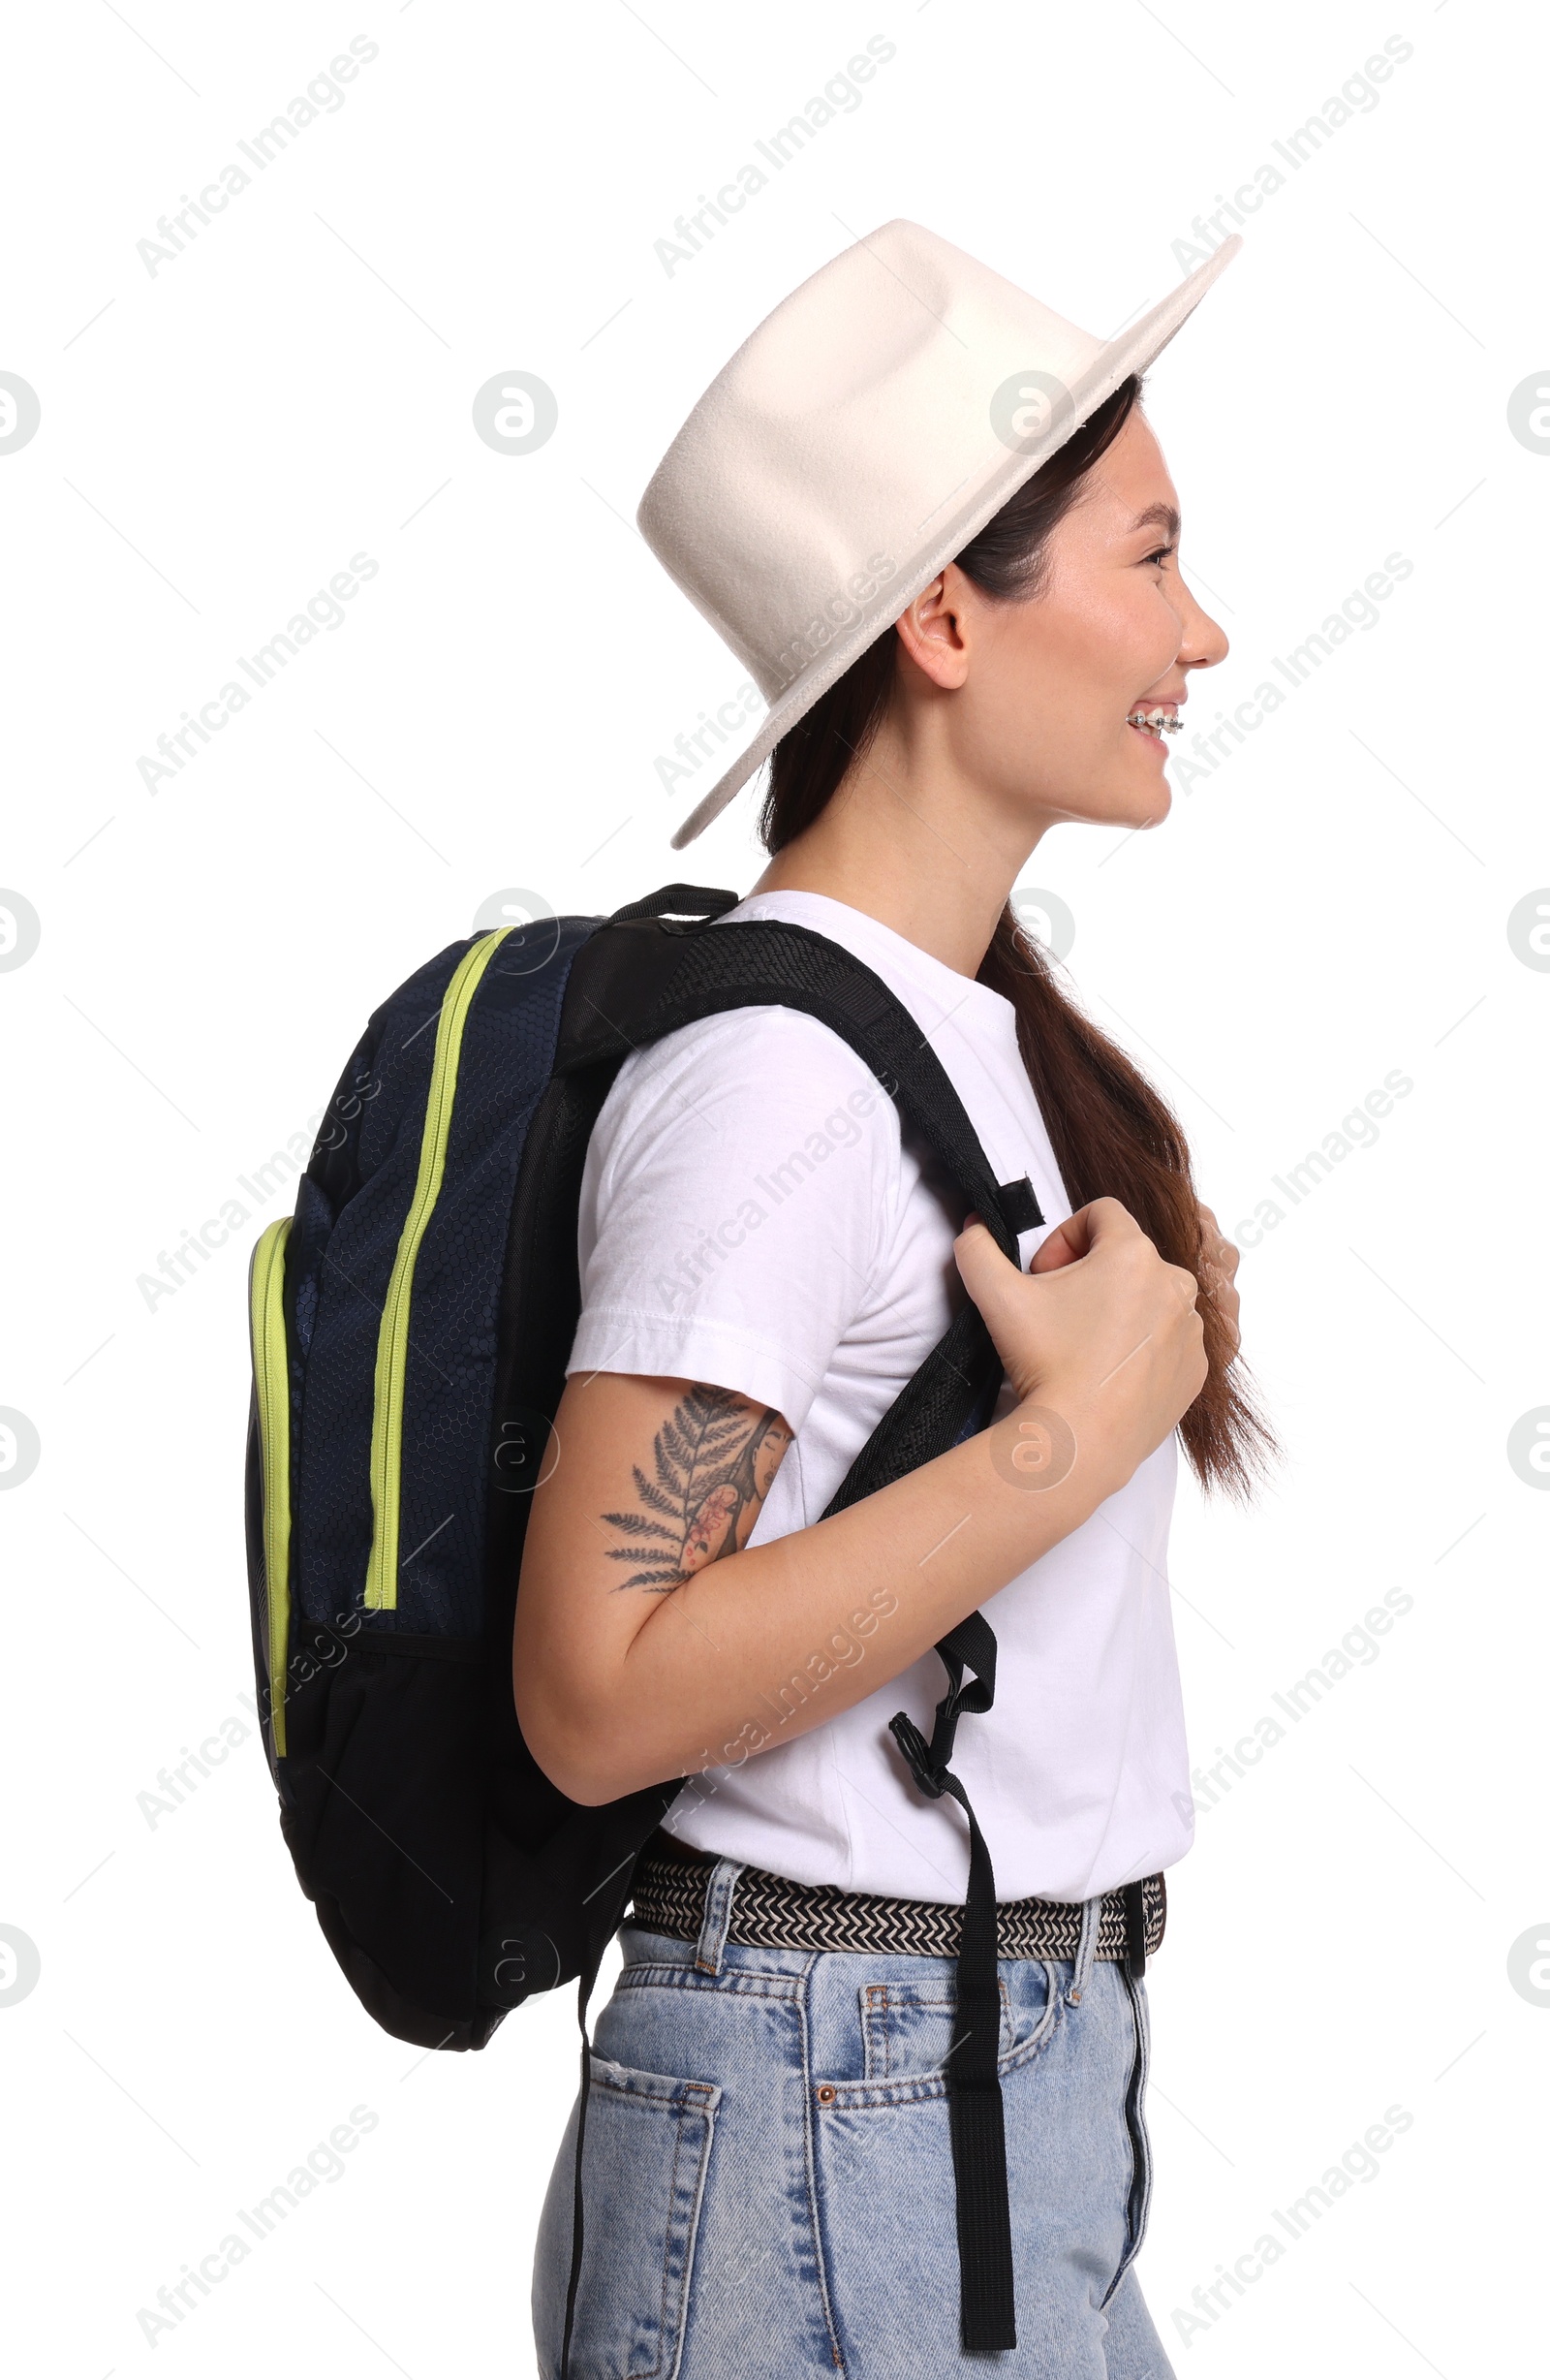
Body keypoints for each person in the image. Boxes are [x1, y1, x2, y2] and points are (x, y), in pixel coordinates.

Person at [517, 221, 1277, 2378]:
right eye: (1148, 557)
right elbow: (595, 1689)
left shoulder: (952, 1031)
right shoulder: (771, 1079)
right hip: (821, 2092)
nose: (1198, 631)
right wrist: (1055, 1440)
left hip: (963, 2073)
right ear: (943, 613)